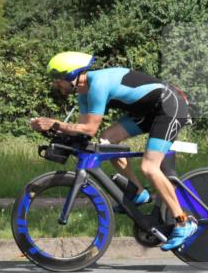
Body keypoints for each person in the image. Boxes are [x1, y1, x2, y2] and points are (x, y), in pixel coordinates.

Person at [29, 51, 196, 250]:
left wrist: (54, 123)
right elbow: (83, 131)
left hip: (170, 107)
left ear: (72, 75)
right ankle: (139, 193)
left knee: (150, 167)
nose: (55, 84)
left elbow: (89, 128)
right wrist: (53, 130)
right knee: (107, 141)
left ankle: (183, 222)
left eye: (57, 79)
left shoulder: (98, 84)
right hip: (148, 111)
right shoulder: (83, 93)